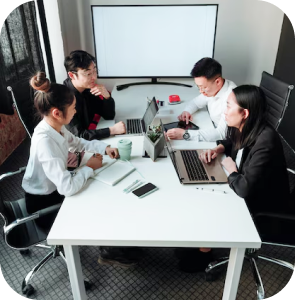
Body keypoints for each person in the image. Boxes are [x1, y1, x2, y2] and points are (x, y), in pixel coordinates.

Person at [22, 72, 142, 268]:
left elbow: (76, 142)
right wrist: (89, 167)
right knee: (98, 199)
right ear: (56, 112)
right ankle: (110, 251)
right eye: (73, 108)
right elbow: (67, 188)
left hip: (55, 187)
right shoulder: (45, 141)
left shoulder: (55, 126)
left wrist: (105, 148)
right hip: (44, 203)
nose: (75, 112)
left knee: (102, 190)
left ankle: (118, 244)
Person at [175, 85, 291, 273]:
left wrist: (231, 171)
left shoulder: (266, 141)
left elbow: (244, 188)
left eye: (228, 106)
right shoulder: (248, 126)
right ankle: (200, 242)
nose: (224, 111)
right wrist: (219, 148)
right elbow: (235, 142)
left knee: (207, 198)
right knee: (199, 190)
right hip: (249, 185)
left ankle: (204, 252)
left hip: (264, 203)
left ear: (244, 112)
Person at [166, 57, 236, 142]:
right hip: (211, 127)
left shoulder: (232, 98)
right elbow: (195, 103)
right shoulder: (212, 89)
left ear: (218, 82)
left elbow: (220, 133)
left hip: (227, 141)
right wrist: (187, 111)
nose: (201, 91)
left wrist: (185, 134)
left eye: (203, 87)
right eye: (198, 87)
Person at [63, 50, 126, 140]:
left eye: (95, 71)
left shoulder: (88, 88)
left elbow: (109, 116)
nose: (94, 77)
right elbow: (79, 135)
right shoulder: (64, 100)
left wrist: (106, 97)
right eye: (88, 74)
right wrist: (111, 130)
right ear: (72, 75)